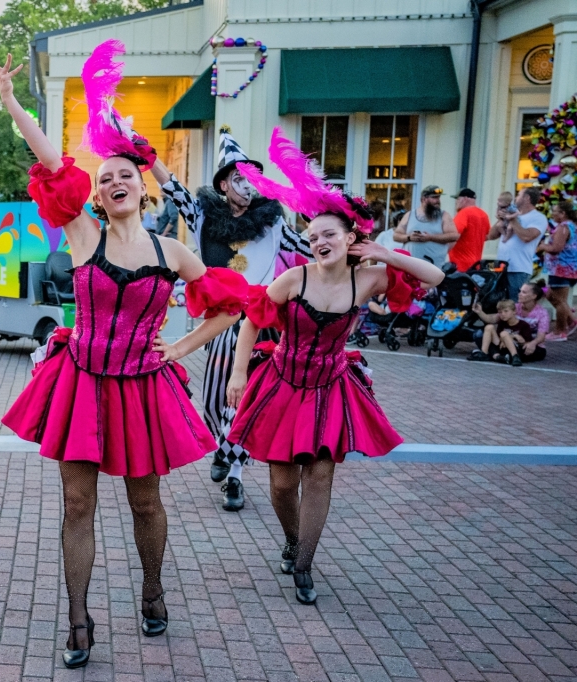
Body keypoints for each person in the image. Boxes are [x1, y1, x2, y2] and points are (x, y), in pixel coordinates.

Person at [0, 45, 248, 668]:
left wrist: (178, 347)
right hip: (79, 382)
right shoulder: (82, 233)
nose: (115, 180)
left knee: (145, 501)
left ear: (142, 184)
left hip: (142, 387)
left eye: (125, 173)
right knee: (78, 503)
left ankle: (152, 590)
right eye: (104, 177)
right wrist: (11, 102)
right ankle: (78, 619)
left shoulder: (173, 253)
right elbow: (52, 159)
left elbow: (230, 305)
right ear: (96, 196)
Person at [223, 127, 445, 605]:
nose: (318, 241)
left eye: (328, 234)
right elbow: (250, 323)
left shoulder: (369, 279)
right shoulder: (292, 278)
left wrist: (386, 253)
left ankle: (304, 563)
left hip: (330, 387)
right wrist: (239, 374)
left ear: (350, 238)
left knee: (319, 475)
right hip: (283, 384)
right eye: (312, 235)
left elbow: (436, 276)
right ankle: (290, 537)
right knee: (282, 485)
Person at [151, 126, 312, 512]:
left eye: (253, 178)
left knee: (242, 398)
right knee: (215, 400)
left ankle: (235, 475)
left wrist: (344, 237)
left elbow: (309, 247)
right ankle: (223, 448)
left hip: (261, 319)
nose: (248, 185)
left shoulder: (273, 224)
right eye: (239, 178)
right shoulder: (204, 214)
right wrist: (149, 157)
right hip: (221, 318)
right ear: (223, 185)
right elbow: (174, 190)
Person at [487, 186, 549, 300]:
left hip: (519, 269)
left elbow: (526, 236)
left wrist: (512, 219)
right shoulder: (512, 214)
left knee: (515, 305)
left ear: (527, 198)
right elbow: (491, 235)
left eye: (518, 195)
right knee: (499, 305)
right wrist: (501, 219)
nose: (515, 198)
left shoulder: (538, 218)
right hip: (501, 267)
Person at [537, 201, 577, 339]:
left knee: (560, 300)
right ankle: (571, 321)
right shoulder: (572, 226)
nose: (552, 214)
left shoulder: (564, 227)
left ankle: (559, 331)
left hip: (561, 268)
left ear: (563, 213)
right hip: (567, 268)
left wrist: (543, 246)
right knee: (550, 294)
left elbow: (556, 248)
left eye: (555, 211)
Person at [392, 185, 458, 267]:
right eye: (434, 197)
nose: (438, 201)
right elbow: (396, 236)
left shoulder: (444, 215)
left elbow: (454, 236)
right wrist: (409, 237)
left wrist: (430, 238)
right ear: (423, 199)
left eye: (438, 197)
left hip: (434, 267)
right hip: (410, 267)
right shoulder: (410, 215)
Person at [469, 298, 537, 365]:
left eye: (506, 311)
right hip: (502, 346)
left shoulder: (523, 325)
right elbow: (499, 337)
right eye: (500, 312)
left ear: (514, 311)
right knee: (489, 327)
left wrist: (512, 337)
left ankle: (515, 357)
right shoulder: (502, 323)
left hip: (516, 347)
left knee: (504, 333)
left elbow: (526, 342)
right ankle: (484, 353)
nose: (503, 314)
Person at [448, 188, 490, 272]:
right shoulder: (483, 215)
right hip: (476, 265)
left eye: (458, 199)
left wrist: (441, 251)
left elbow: (453, 235)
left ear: (465, 199)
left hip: (460, 265)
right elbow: (488, 236)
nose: (456, 202)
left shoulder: (463, 213)